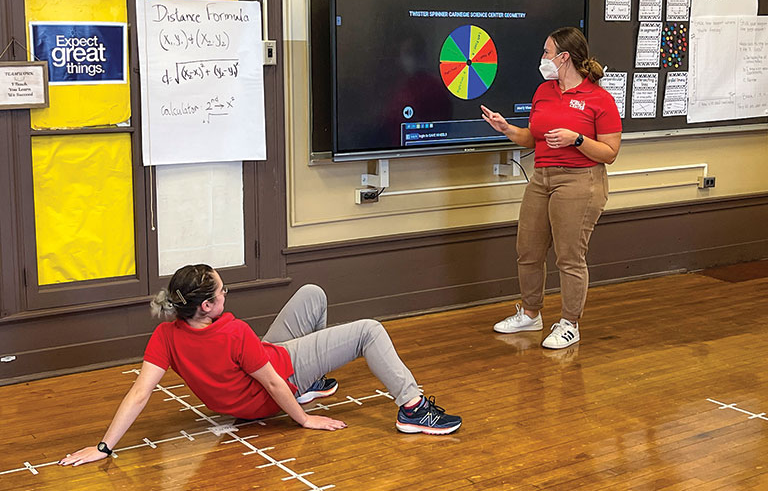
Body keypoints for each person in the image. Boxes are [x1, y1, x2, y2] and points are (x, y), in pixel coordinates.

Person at [59, 264, 461, 466]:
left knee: (311, 293)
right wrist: (303, 418)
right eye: (222, 291)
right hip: (278, 377)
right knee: (369, 331)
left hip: (255, 373)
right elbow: (270, 380)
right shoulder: (232, 331)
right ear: (207, 306)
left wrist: (103, 447)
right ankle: (413, 409)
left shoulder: (167, 334)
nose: (226, 294)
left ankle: (313, 379)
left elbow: (139, 393)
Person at [481, 26, 622, 349]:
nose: (542, 59)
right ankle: (531, 313)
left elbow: (610, 154)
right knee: (528, 250)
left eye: (546, 52)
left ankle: (570, 323)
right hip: (541, 177)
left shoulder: (599, 99)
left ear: (564, 57)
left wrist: (577, 139)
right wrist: (506, 129)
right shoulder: (544, 91)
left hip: (580, 181)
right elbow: (533, 137)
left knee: (569, 257)